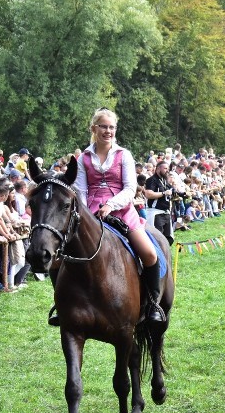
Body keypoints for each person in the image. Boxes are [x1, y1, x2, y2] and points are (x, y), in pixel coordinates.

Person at [50, 107, 165, 325]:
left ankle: (152, 304)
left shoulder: (124, 155)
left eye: (111, 127)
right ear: (94, 128)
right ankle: (60, 305)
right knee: (57, 260)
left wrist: (111, 204)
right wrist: (85, 215)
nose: (108, 131)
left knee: (149, 254)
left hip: (121, 209)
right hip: (90, 211)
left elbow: (131, 188)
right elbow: (81, 191)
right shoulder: (83, 158)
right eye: (103, 126)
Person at [144, 160, 174, 243]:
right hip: (155, 213)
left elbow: (172, 191)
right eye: (165, 168)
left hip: (166, 212)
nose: (167, 170)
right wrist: (163, 193)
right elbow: (148, 194)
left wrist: (183, 193)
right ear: (158, 169)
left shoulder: (164, 181)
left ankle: (165, 255)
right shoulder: (152, 180)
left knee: (168, 239)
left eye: (168, 168)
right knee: (157, 240)